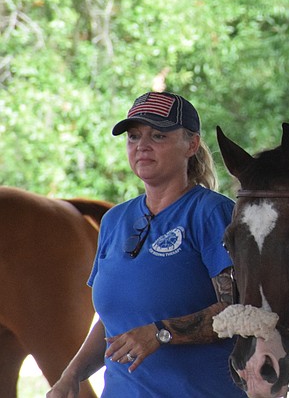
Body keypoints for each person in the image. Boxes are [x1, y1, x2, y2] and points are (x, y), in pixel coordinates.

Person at [48, 92, 243, 398]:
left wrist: (162, 332)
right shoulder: (114, 220)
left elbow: (239, 310)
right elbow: (113, 321)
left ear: (191, 145)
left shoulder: (211, 213)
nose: (142, 145)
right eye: (134, 136)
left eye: (159, 135)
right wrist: (71, 376)